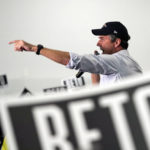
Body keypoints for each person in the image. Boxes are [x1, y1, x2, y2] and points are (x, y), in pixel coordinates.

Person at [9, 21, 142, 86]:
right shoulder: (125, 63)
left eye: (102, 39)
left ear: (117, 42)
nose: (98, 44)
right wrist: (94, 68)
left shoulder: (117, 61)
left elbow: (74, 61)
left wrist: (34, 48)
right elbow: (100, 91)